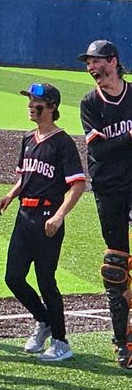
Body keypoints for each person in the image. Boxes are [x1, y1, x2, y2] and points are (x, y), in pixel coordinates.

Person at [0, 83, 85, 361]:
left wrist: (59, 216)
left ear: (51, 107)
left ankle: (61, 342)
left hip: (48, 218)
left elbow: (78, 185)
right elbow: (25, 176)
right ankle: (44, 320)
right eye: (30, 100)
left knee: (46, 280)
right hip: (25, 216)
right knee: (13, 277)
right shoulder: (28, 139)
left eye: (35, 102)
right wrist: (11, 195)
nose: (30, 106)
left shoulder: (62, 142)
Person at [78, 39, 132, 368]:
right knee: (115, 264)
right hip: (108, 187)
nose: (92, 68)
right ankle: (121, 342)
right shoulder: (90, 103)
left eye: (96, 62)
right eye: (88, 64)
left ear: (113, 61)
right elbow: (98, 150)